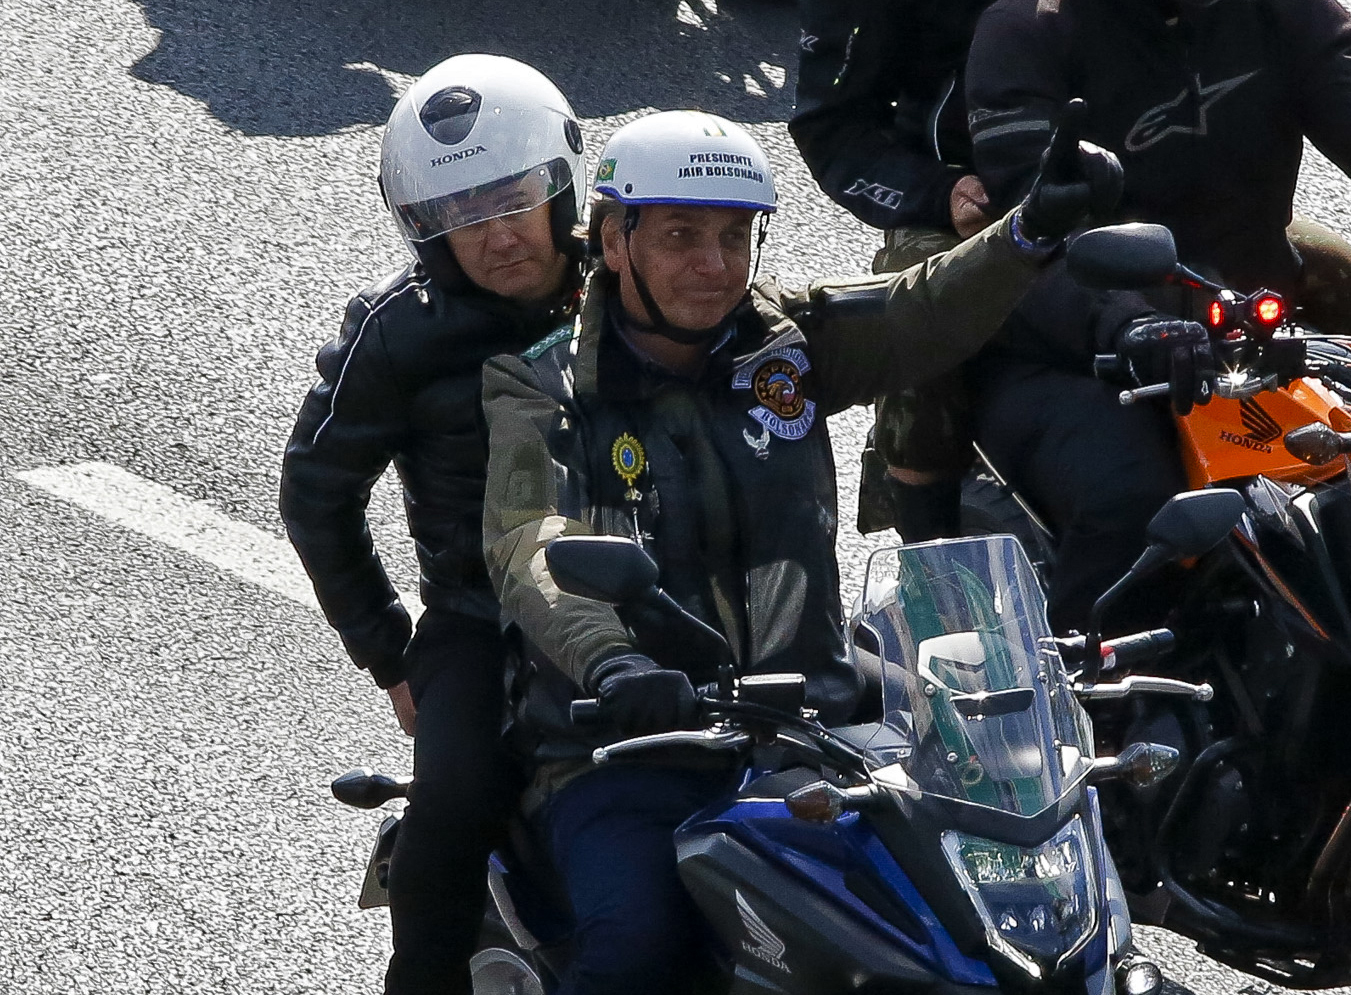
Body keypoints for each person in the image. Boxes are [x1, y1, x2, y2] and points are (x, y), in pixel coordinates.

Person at [480, 109, 1121, 995]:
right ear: (613, 239)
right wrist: (617, 664)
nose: (715, 265)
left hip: (811, 708)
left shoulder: (782, 340)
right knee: (636, 950)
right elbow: (533, 541)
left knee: (1006, 876)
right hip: (638, 737)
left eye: (735, 236)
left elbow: (917, 310)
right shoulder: (543, 385)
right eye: (680, 236)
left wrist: (1030, 231)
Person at [278, 54, 586, 995]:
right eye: (458, 215)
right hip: (478, 619)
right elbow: (314, 492)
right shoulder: (395, 330)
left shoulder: (637, 279)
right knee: (452, 805)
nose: (495, 236)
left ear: (563, 187)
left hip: (660, 590)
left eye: (512, 197)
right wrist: (390, 653)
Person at [962, 0, 1351, 634]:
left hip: (1249, 337)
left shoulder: (1285, 13)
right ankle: (1100, 723)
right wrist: (1127, 325)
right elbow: (1033, 234)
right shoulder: (1031, 28)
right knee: (1134, 504)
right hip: (1080, 349)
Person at [790, 0, 997, 539]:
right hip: (964, 204)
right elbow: (829, 124)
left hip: (1147, 185)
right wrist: (940, 193)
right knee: (922, 297)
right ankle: (929, 553)